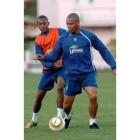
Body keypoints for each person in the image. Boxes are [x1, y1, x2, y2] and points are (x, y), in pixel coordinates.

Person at [34, 13, 116, 129]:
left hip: (88, 73)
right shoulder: (62, 39)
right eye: (67, 24)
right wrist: (44, 57)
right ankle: (68, 116)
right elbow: (55, 56)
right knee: (66, 106)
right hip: (72, 75)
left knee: (93, 96)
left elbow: (103, 50)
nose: (69, 26)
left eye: (71, 24)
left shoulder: (89, 36)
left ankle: (92, 122)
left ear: (78, 23)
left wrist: (114, 66)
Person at [25, 15, 67, 128]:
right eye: (40, 24)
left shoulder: (58, 31)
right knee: (39, 96)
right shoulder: (37, 40)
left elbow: (69, 37)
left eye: (44, 23)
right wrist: (52, 63)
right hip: (48, 70)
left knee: (60, 86)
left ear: (48, 23)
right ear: (37, 25)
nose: (43, 25)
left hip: (61, 68)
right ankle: (34, 119)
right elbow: (42, 60)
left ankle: (59, 118)